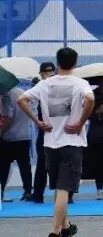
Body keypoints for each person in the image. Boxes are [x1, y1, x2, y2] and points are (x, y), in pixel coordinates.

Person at [17, 47, 96, 237]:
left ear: (58, 62)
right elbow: (90, 98)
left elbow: (21, 99)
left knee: (59, 188)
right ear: (75, 63)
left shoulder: (45, 84)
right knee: (63, 189)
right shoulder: (80, 83)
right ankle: (55, 231)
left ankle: (66, 226)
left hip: (50, 143)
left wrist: (37, 121)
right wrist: (80, 123)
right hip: (72, 142)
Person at [0, 81, 34, 201]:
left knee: (3, 167)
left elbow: (8, 118)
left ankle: (1, 192)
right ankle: (28, 191)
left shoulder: (7, 96)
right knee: (25, 166)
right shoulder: (22, 92)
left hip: (9, 137)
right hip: (24, 135)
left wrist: (1, 132)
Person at [29, 62, 56, 203]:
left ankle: (65, 195)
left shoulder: (60, 86)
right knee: (42, 164)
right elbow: (26, 102)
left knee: (60, 165)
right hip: (45, 132)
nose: (49, 73)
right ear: (41, 74)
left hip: (59, 132)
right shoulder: (39, 88)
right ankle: (38, 194)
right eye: (47, 71)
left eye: (52, 71)